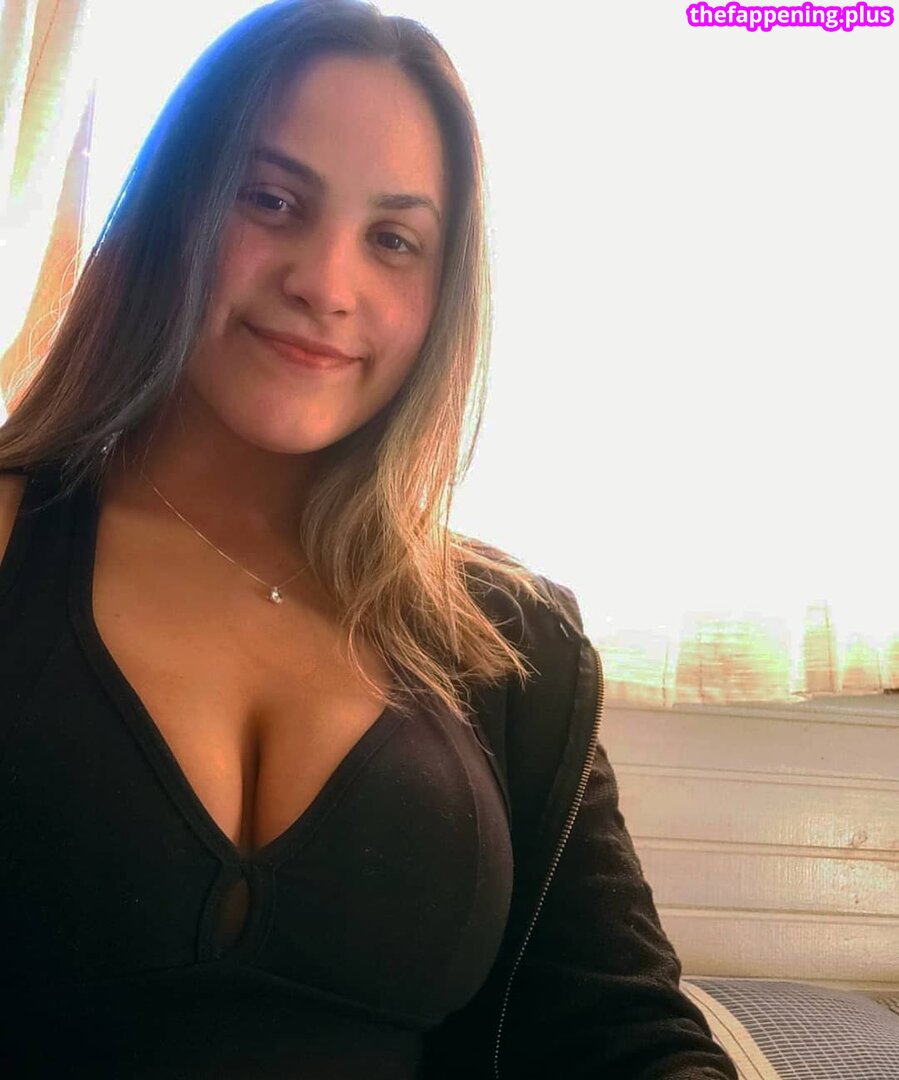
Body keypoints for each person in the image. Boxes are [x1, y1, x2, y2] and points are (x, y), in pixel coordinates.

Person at [0, 1, 739, 1077]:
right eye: (270, 200)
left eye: (393, 240)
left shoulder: (514, 643)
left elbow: (624, 1034)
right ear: (170, 209)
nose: (324, 284)